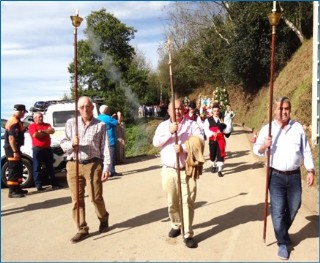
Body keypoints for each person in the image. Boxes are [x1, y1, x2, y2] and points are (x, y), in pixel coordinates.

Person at [253, 96, 315, 260]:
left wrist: (310, 170)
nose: (283, 112)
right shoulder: (268, 129)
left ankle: (282, 232)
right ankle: (282, 243)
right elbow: (256, 150)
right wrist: (264, 146)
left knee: (294, 206)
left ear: (290, 109)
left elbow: (306, 151)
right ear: (275, 110)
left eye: (286, 108)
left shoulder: (298, 128)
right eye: (280, 109)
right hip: (276, 176)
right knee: (278, 211)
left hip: (294, 175)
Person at [153, 99, 205, 249]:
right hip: (169, 169)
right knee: (172, 201)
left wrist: (183, 148)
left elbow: (200, 142)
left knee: (188, 201)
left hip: (186, 169)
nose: (177, 111)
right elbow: (156, 142)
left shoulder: (192, 125)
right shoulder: (163, 126)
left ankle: (187, 233)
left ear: (184, 109)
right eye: (174, 109)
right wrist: (170, 133)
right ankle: (176, 224)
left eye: (180, 108)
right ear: (168, 111)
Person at [60, 96, 111, 244]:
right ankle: (82, 229)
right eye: (82, 107)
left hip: (93, 165)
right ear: (78, 109)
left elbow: (105, 148)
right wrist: (71, 143)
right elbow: (62, 143)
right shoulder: (71, 123)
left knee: (95, 197)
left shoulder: (100, 125)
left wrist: (106, 167)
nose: (85, 109)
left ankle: (103, 217)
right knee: (77, 200)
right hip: (73, 165)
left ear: (93, 108)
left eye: (88, 106)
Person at [28, 112, 60, 191]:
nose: (41, 118)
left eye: (41, 117)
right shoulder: (32, 126)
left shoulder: (47, 124)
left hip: (47, 149)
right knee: (37, 168)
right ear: (34, 118)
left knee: (50, 167)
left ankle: (54, 183)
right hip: (37, 149)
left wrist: (42, 132)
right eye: (39, 117)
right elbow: (35, 135)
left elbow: (52, 131)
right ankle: (38, 185)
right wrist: (46, 132)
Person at [3, 104, 29, 198]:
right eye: (24, 112)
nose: (24, 114)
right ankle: (12, 191)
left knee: (18, 168)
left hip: (15, 148)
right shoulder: (13, 121)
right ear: (21, 111)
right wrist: (15, 151)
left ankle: (17, 188)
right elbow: (11, 138)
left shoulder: (16, 120)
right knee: (13, 168)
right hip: (11, 149)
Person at [203, 103, 231, 177]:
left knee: (220, 154)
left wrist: (223, 127)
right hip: (212, 140)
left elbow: (228, 130)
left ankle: (219, 170)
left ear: (219, 111)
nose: (216, 112)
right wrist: (212, 133)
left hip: (221, 140)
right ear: (212, 111)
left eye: (217, 111)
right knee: (212, 155)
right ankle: (213, 165)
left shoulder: (222, 119)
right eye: (214, 111)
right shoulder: (208, 120)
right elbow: (206, 129)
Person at [97, 105, 122, 177]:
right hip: (110, 139)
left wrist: (111, 117)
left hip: (101, 141)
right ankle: (112, 171)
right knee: (111, 156)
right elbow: (118, 123)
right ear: (106, 110)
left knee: (103, 157)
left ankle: (104, 171)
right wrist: (119, 115)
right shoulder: (108, 118)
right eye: (108, 109)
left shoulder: (98, 117)